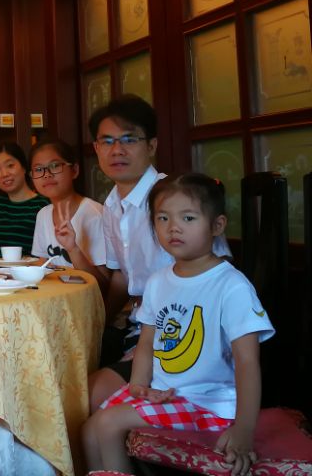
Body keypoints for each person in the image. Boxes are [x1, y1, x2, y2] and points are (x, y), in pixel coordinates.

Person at [83, 173, 273, 476]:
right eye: (163, 218)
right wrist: (139, 386)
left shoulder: (231, 286)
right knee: (89, 430)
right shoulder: (159, 282)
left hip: (208, 403)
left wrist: (243, 429)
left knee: (107, 425)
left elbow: (248, 362)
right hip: (166, 393)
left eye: (188, 218)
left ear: (217, 226)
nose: (173, 227)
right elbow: (147, 341)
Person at [86, 94, 232, 412]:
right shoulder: (111, 205)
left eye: (129, 139)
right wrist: (97, 326)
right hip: (138, 327)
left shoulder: (175, 197)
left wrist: (154, 346)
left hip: (179, 334)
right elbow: (121, 277)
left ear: (151, 145)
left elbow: (217, 271)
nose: (117, 150)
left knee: (87, 397)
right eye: (107, 141)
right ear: (96, 148)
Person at [28, 139, 106, 282]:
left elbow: (103, 284)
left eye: (55, 166)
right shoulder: (43, 215)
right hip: (54, 293)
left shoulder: (95, 214)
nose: (46, 174)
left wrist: (73, 249)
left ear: (74, 170)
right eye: (38, 169)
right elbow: (42, 264)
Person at [0, 142, 48, 255]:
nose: (4, 174)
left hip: (30, 266)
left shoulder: (43, 205)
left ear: (24, 167)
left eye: (10, 166)